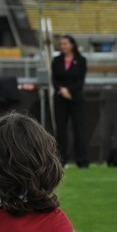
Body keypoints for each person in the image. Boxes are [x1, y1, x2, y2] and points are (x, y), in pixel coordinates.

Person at [52, 34, 89, 168]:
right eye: (61, 44)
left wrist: (69, 91)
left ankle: (82, 159)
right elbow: (54, 79)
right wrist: (62, 90)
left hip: (76, 99)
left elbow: (80, 80)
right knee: (61, 130)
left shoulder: (81, 60)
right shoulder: (56, 60)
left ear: (72, 45)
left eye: (65, 44)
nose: (63, 46)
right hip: (60, 99)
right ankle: (61, 160)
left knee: (79, 129)